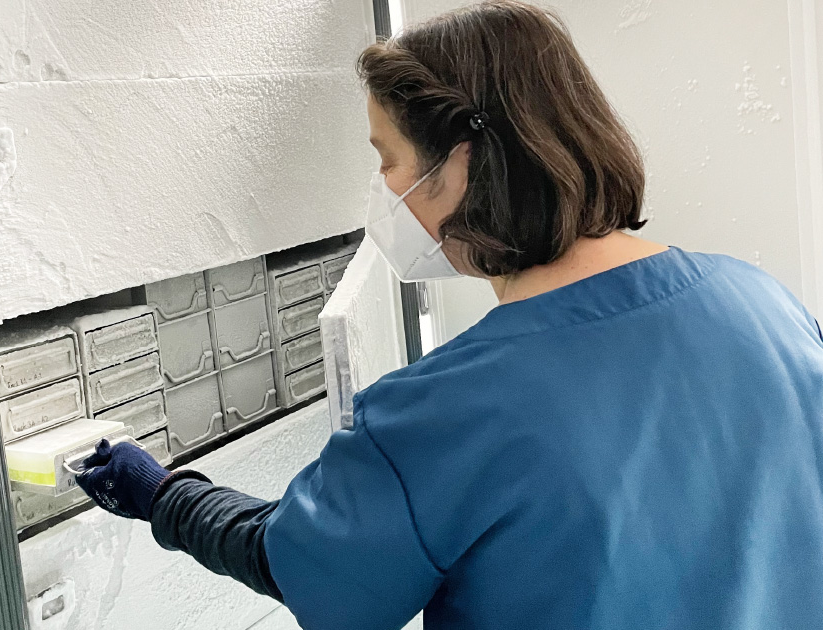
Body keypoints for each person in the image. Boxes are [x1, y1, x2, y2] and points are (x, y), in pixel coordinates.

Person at [77, 2, 823, 628]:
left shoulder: (444, 411)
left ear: (462, 161)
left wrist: (165, 495)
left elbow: (303, 565)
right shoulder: (763, 304)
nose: (381, 187)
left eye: (386, 156)